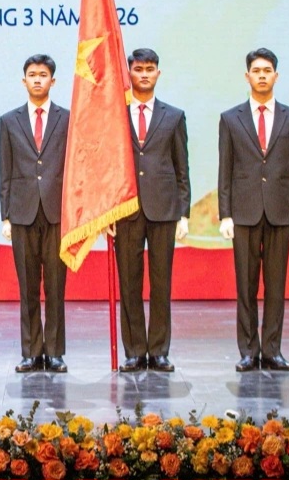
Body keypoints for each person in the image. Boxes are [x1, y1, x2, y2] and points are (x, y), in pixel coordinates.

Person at [218, 48, 289, 372]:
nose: (262, 75)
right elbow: (225, 169)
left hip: (280, 211)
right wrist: (225, 214)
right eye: (256, 71)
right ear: (247, 76)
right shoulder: (231, 119)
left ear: (276, 76)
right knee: (246, 285)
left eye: (267, 70)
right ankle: (248, 351)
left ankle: (272, 350)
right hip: (244, 211)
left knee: (276, 286)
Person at [115, 48, 190, 373]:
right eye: (138, 69)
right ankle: (134, 350)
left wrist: (183, 213)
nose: (144, 74)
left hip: (164, 209)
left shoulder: (174, 116)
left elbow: (181, 167)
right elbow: (108, 167)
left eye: (149, 69)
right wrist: (107, 212)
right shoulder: (115, 115)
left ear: (158, 73)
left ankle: (159, 351)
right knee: (129, 283)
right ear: (129, 72)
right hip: (126, 210)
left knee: (161, 283)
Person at [0, 54, 69, 373]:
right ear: (23, 80)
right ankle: (30, 351)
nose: (37, 79)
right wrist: (5, 216)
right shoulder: (9, 121)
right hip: (22, 212)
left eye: (43, 74)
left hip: (56, 214)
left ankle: (54, 352)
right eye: (32, 74)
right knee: (27, 287)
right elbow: (6, 170)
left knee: (55, 286)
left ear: (53, 81)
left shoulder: (67, 119)